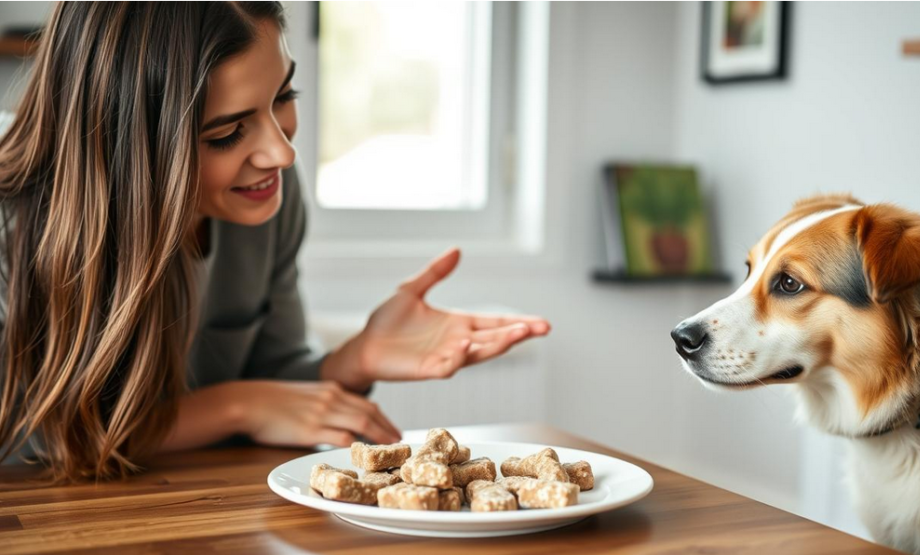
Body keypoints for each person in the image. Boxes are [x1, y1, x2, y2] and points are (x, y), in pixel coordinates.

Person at [0, 2, 549, 483]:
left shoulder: (267, 195)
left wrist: (356, 359)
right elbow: (38, 436)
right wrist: (234, 407)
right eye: (226, 133)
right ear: (125, 146)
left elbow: (277, 383)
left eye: (283, 95)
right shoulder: (16, 227)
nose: (282, 153)